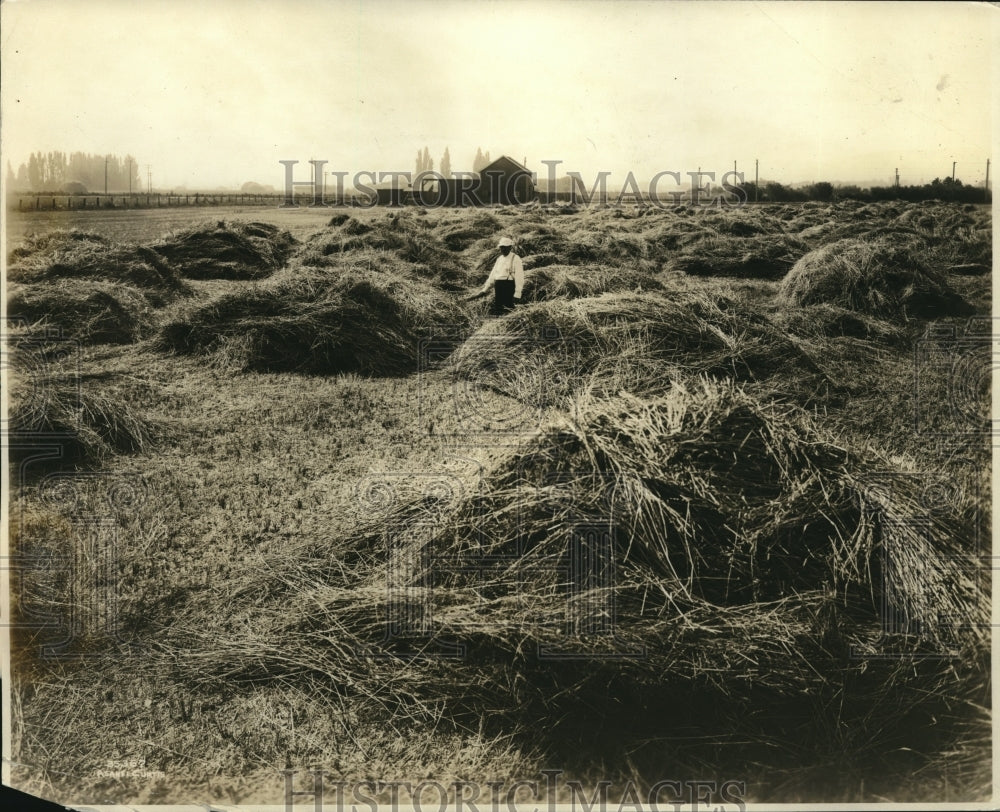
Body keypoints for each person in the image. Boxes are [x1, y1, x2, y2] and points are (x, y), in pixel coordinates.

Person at [474, 236, 524, 315]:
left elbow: (519, 277)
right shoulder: (499, 259)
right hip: (498, 286)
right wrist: (485, 289)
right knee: (499, 309)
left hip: (509, 287)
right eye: (501, 247)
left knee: (508, 310)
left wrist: (517, 293)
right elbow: (493, 274)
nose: (502, 250)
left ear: (510, 247)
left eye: (505, 247)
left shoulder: (515, 258)